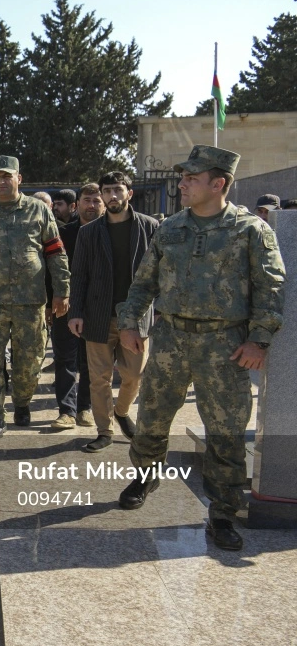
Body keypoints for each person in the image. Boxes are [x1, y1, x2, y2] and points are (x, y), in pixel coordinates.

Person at [115, 146, 285, 552]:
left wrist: (258, 340)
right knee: (153, 417)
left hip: (225, 344)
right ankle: (146, 474)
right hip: (171, 337)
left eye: (192, 178)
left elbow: (271, 288)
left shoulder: (250, 230)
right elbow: (144, 282)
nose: (184, 185)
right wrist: (128, 323)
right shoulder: (170, 228)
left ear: (218, 183)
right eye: (184, 177)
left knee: (224, 431)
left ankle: (223, 513)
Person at [0, 156, 70, 439]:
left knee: (28, 363)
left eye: (7, 176)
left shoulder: (38, 210)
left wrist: (62, 291)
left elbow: (56, 252)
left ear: (19, 179)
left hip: (31, 302)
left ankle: (22, 402)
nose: (1, 182)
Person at [68, 172, 158, 451]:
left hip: (137, 317)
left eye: (118, 190)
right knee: (99, 378)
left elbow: (162, 272)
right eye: (107, 191)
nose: (112, 196)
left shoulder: (149, 227)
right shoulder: (89, 232)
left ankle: (121, 411)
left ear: (129, 193)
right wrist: (76, 312)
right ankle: (104, 430)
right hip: (97, 315)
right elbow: (79, 274)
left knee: (134, 375)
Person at [48, 183, 102, 431]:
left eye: (96, 200)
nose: (91, 205)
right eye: (86, 200)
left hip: (97, 307)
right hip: (66, 304)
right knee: (65, 358)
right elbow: (53, 269)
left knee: (91, 360)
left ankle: (85, 409)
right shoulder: (63, 233)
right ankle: (66, 411)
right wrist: (53, 299)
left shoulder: (108, 232)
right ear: (77, 204)